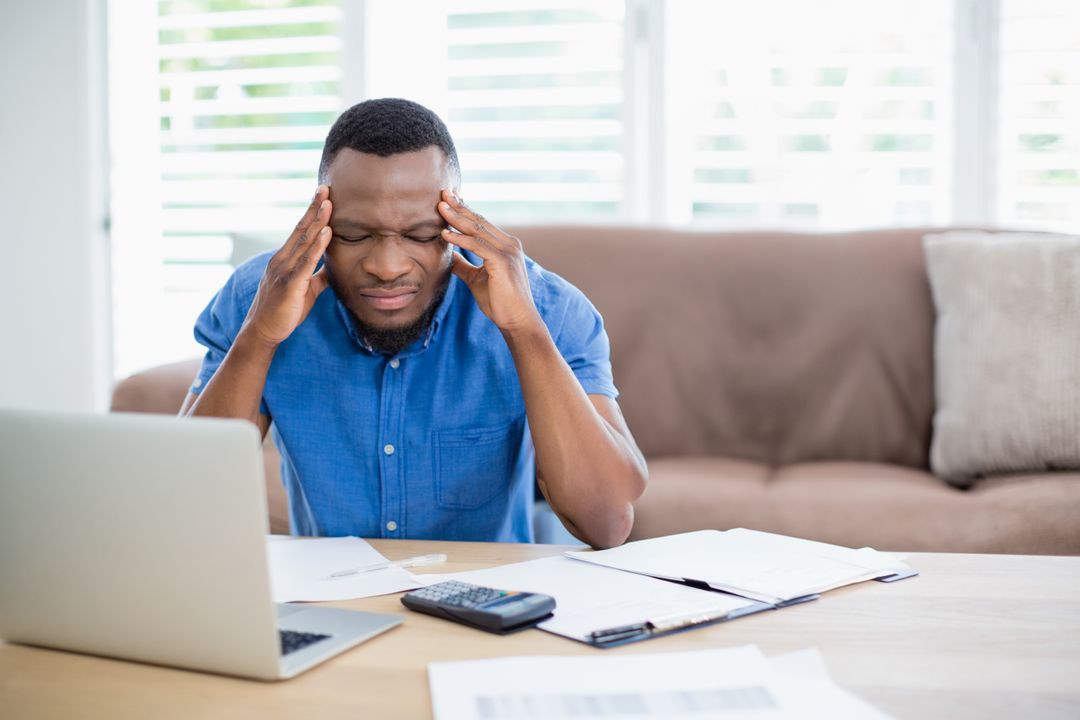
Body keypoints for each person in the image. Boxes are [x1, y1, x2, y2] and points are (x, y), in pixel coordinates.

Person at [180, 98, 647, 549]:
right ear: (319, 222)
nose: (387, 266)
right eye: (354, 235)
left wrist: (524, 331)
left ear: (456, 219)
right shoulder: (257, 299)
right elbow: (186, 501)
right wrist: (259, 336)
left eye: (420, 235)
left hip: (488, 609)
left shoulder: (548, 309)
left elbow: (606, 523)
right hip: (332, 607)